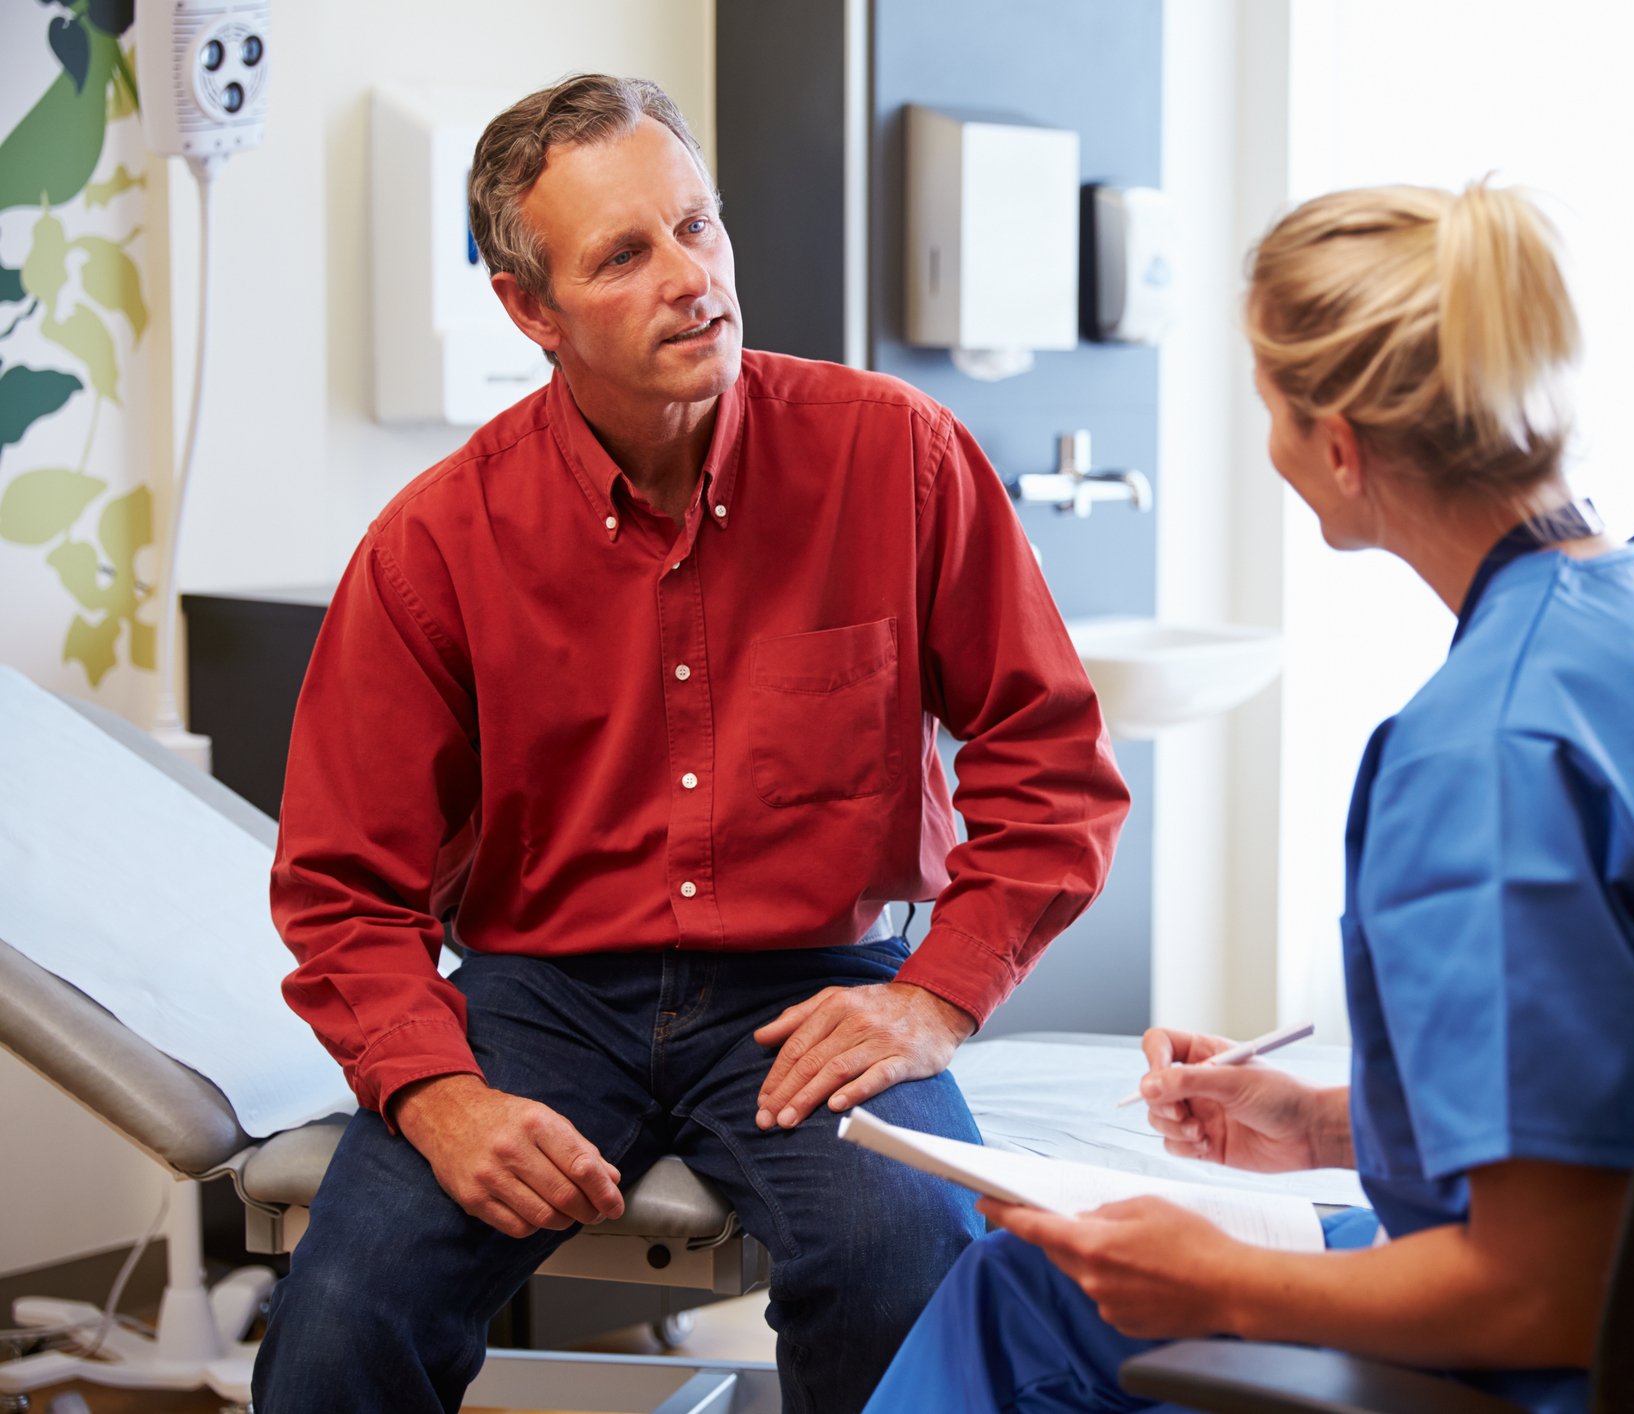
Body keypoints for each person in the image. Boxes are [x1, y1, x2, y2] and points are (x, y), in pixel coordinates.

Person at [861, 179, 1634, 1413]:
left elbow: (1543, 1288)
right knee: (1032, 1288)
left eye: (1271, 410)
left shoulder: (1484, 752)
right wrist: (1320, 1126)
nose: (1272, 450)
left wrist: (1222, 1285)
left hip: (1621, 1361)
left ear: (1343, 447)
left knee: (1020, 1300)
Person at [251, 75, 1129, 1414]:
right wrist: (433, 1092)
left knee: (914, 1260)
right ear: (528, 310)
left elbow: (1049, 755)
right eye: (624, 254)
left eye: (696, 227)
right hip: (539, 994)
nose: (693, 279)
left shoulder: (894, 455)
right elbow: (339, 887)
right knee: (340, 1316)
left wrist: (935, 992)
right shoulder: (433, 545)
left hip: (816, 975)